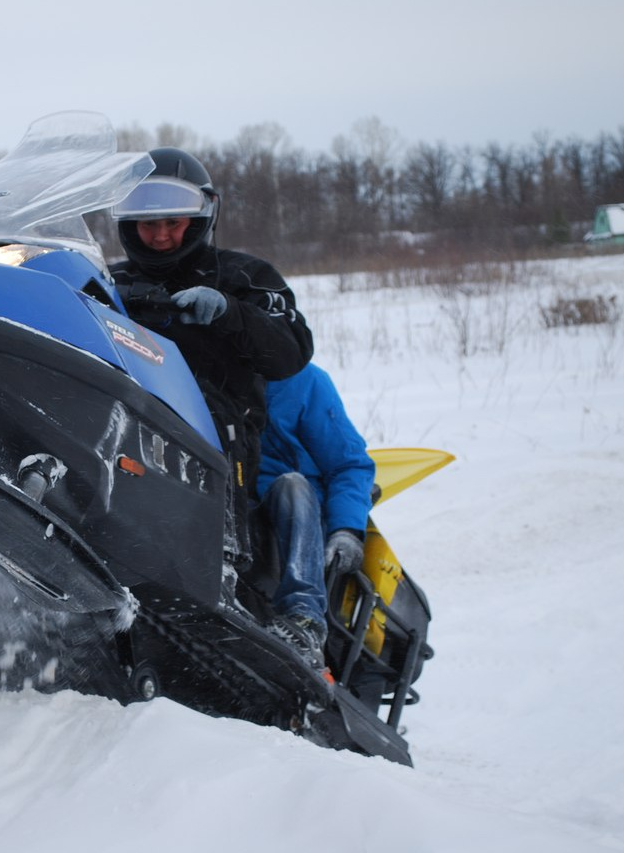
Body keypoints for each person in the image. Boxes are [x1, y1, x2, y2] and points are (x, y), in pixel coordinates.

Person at [109, 147, 314, 569]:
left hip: (221, 436)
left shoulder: (246, 277)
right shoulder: (106, 280)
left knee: (215, 413)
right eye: (148, 224)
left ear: (202, 218)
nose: (161, 235)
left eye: (173, 222)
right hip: (124, 421)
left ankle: (226, 557)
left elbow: (291, 352)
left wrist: (229, 312)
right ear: (129, 224)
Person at [257, 362, 375, 669]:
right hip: (239, 508)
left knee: (292, 484)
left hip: (295, 516)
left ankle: (305, 618)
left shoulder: (303, 381)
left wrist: (346, 529)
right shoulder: (203, 369)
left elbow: (349, 464)